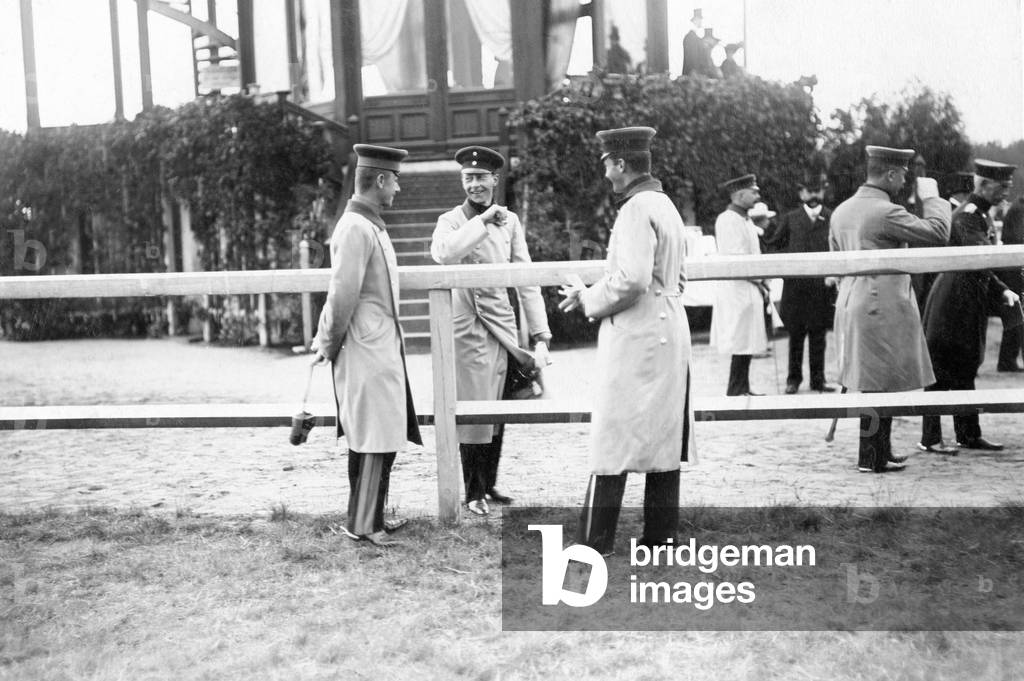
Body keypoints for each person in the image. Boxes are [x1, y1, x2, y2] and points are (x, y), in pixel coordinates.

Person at [559, 126, 694, 556]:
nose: (604, 174)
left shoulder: (635, 208)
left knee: (612, 434)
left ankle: (595, 540)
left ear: (619, 164)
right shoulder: (666, 204)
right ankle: (661, 537)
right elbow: (676, 277)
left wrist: (587, 299)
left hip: (636, 333)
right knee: (664, 434)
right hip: (670, 327)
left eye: (606, 164)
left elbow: (632, 279)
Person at [430, 146, 551, 516]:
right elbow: (444, 254)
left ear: (495, 180)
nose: (475, 184)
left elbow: (526, 278)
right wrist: (481, 223)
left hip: (502, 322)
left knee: (499, 408)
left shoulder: (511, 221)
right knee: (473, 413)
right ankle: (472, 491)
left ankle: (489, 482)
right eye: (469, 178)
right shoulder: (450, 220)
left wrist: (541, 334)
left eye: (482, 178)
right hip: (468, 327)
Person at [311, 144, 422, 546]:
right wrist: (327, 342)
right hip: (365, 349)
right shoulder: (356, 227)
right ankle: (363, 524)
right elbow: (341, 296)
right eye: (394, 180)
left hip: (377, 348)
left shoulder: (368, 224)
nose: (398, 188)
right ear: (379, 180)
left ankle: (370, 517)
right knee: (373, 439)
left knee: (381, 436)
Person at [829, 145, 951, 473]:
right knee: (876, 386)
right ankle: (871, 456)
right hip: (879, 309)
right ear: (891, 173)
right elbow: (939, 233)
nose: (906, 180)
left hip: (855, 303)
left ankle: (878, 450)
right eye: (904, 174)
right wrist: (933, 198)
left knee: (875, 382)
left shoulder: (841, 210)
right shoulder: (884, 211)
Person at [920, 160, 1021, 453]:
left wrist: (1001, 291)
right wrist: (1002, 290)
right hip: (952, 302)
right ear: (983, 185)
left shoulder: (982, 216)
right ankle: (930, 437)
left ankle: (968, 433)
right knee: (941, 370)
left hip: (968, 300)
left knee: (965, 368)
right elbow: (979, 263)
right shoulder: (968, 216)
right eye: (1002, 187)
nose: (1005, 193)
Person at [770, 175, 837, 394]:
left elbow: (839, 249)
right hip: (796, 289)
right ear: (801, 194)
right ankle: (793, 380)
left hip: (821, 288)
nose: (814, 196)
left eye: (817, 191)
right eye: (809, 191)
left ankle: (818, 380)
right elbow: (774, 247)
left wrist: (833, 273)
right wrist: (789, 265)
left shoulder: (832, 218)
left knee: (818, 335)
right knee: (796, 335)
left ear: (823, 192)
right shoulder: (790, 219)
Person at [710, 173, 768, 396]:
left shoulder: (746, 219)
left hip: (749, 285)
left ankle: (743, 385)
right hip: (738, 287)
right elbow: (736, 257)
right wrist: (758, 278)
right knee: (741, 338)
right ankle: (735, 387)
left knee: (748, 338)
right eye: (753, 192)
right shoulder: (727, 219)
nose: (757, 195)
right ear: (739, 194)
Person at [996, 197, 1024, 372]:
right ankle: (1007, 360)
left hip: (1014, 270)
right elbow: (1018, 238)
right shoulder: (1020, 209)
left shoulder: (1018, 207)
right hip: (1015, 271)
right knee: (1016, 315)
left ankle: (1008, 360)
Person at [682, 9, 705, 76]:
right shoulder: (690, 38)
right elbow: (691, 57)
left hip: (695, 73)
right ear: (695, 20)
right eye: (700, 19)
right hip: (692, 73)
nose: (701, 22)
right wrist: (694, 71)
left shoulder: (695, 37)